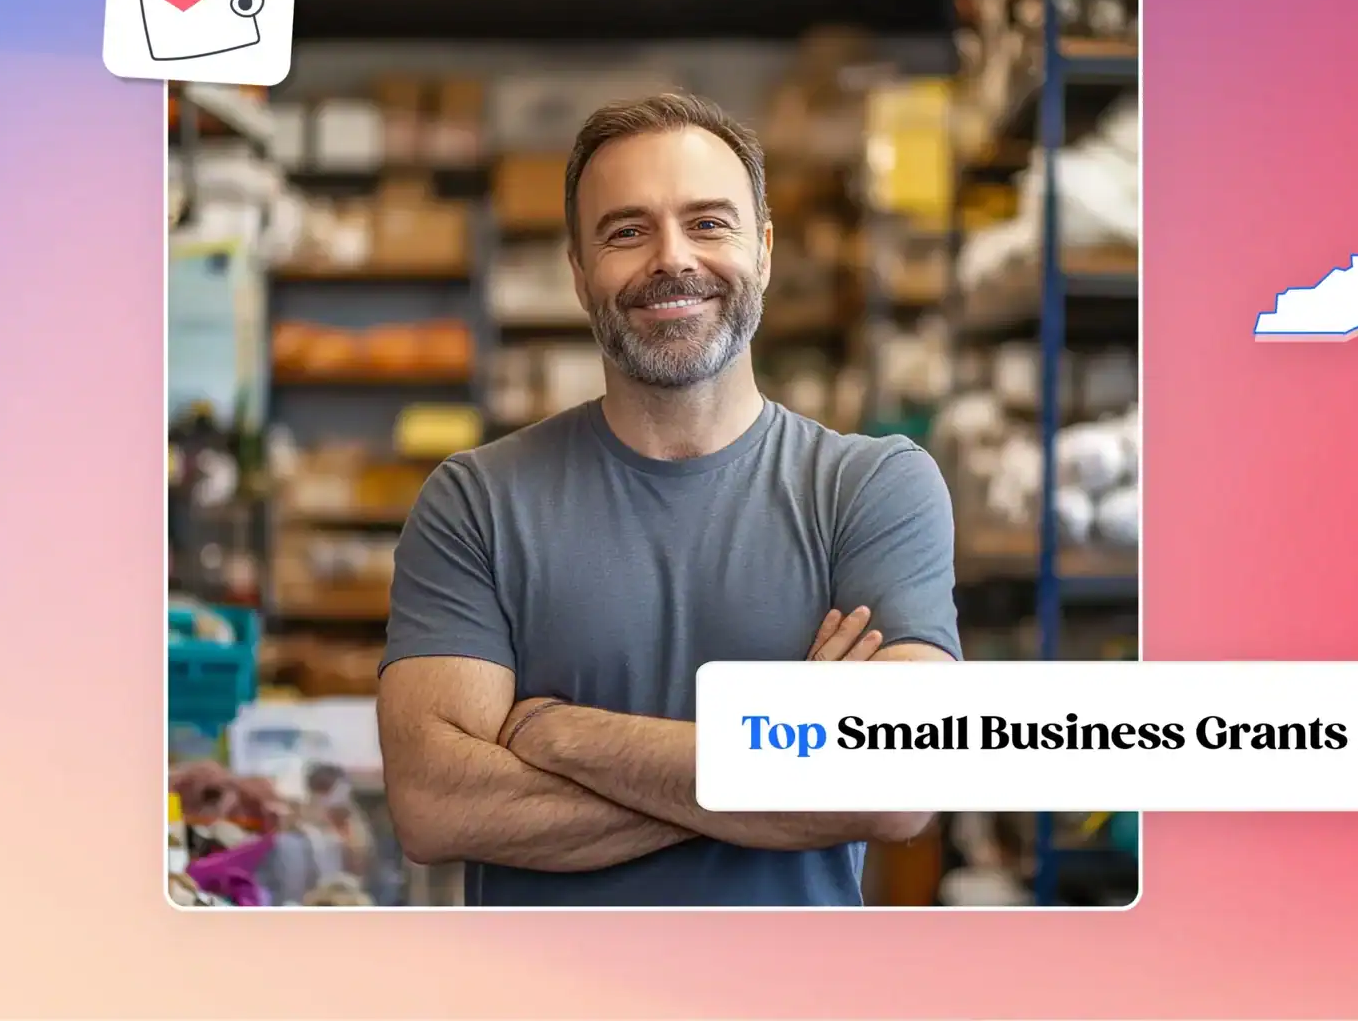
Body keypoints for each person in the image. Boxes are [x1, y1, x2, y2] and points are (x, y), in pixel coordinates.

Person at [376, 92, 959, 907]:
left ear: (763, 251)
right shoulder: (477, 502)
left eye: (709, 224)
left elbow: (895, 787)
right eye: (626, 231)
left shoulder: (869, 489)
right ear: (579, 274)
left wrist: (559, 734)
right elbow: (435, 808)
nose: (671, 259)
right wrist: (783, 766)